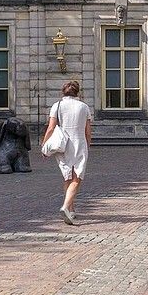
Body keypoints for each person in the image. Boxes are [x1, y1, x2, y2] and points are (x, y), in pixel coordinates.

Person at [42, 80, 93, 226]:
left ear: (63, 92)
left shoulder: (56, 106)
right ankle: (65, 206)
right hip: (79, 143)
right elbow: (87, 131)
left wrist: (44, 145)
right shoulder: (84, 107)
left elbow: (51, 128)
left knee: (67, 177)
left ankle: (71, 210)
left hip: (62, 145)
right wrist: (88, 145)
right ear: (78, 92)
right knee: (77, 178)